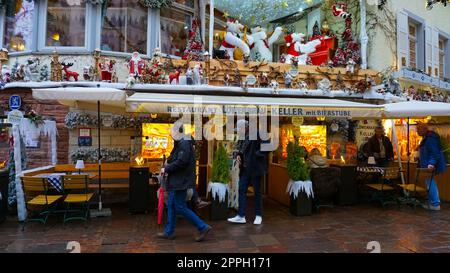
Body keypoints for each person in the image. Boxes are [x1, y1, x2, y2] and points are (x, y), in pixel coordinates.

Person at [157, 126, 211, 241]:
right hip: (177, 180)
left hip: (181, 181)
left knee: (180, 206)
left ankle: (202, 226)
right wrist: (168, 163)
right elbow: (175, 158)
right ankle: (169, 232)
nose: (171, 135)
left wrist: (167, 169)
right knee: (171, 205)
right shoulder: (181, 142)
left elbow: (182, 162)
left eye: (172, 133)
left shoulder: (184, 143)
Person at [228, 119, 269, 225]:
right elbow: (238, 149)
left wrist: (255, 155)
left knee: (257, 192)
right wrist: (237, 156)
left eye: (239, 129)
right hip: (245, 169)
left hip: (255, 168)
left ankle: (258, 215)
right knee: (241, 189)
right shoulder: (242, 137)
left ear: (245, 128)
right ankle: (241, 216)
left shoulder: (258, 133)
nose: (238, 132)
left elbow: (267, 146)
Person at [417, 122, 447, 211]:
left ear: (424, 129)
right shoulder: (427, 137)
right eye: (417, 129)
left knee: (430, 183)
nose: (417, 131)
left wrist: (431, 163)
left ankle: (435, 203)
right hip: (427, 165)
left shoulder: (430, 138)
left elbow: (434, 152)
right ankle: (432, 202)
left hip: (429, 166)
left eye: (419, 129)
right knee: (429, 183)